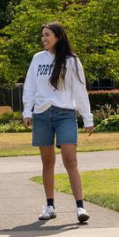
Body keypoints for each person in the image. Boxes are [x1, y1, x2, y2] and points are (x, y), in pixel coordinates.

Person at [22, 22, 93, 224]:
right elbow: (29, 87)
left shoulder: (71, 61)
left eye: (47, 35)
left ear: (59, 37)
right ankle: (50, 206)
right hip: (42, 115)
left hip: (65, 114)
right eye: (42, 35)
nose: (44, 39)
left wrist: (87, 117)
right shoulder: (37, 59)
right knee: (48, 162)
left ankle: (80, 207)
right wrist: (27, 111)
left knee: (70, 159)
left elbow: (79, 89)